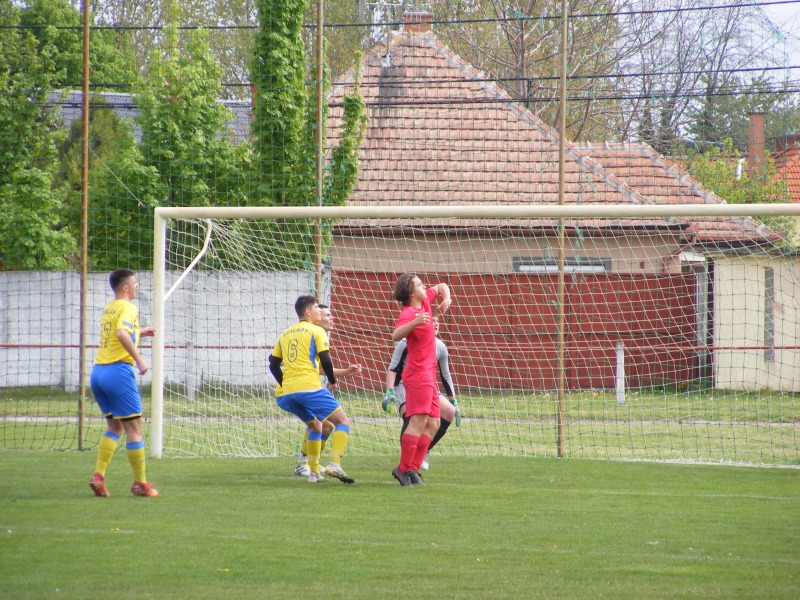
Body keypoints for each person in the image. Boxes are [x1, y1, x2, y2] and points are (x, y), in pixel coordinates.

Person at [88, 268, 158, 498]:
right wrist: (139, 360)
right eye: (135, 283)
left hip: (98, 372)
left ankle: (98, 476)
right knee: (134, 428)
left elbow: (118, 332)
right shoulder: (129, 307)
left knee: (114, 427)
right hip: (118, 371)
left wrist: (140, 331)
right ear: (126, 287)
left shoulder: (110, 307)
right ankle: (140, 484)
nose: (137, 286)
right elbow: (120, 333)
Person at [270, 296, 355, 484]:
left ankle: (314, 473)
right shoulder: (316, 331)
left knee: (318, 425)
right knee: (342, 420)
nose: (320, 311)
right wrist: (332, 381)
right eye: (318, 308)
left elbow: (273, 363)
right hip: (309, 388)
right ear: (308, 312)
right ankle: (334, 463)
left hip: (288, 393)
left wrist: (284, 383)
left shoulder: (285, 333)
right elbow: (326, 360)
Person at [390, 273, 451, 486]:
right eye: (419, 284)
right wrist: (415, 322)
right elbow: (396, 335)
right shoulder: (408, 313)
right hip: (417, 375)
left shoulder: (425, 301)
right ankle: (403, 469)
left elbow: (443, 285)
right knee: (418, 421)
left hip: (428, 375)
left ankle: (412, 470)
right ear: (410, 292)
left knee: (434, 422)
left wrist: (447, 299)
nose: (424, 285)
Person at [383, 315, 460, 471]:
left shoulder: (440, 346)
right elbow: (393, 368)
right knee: (413, 417)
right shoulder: (405, 343)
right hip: (404, 384)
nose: (436, 323)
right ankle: (405, 463)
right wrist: (389, 391)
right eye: (433, 320)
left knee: (448, 412)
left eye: (438, 321)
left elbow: (445, 375)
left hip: (427, 385)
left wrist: (453, 400)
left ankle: (424, 450)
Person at [294, 304, 361, 477]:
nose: (332, 318)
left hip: (304, 387)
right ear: (316, 317)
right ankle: (308, 463)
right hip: (304, 388)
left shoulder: (313, 335)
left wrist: (345, 372)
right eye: (327, 314)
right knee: (325, 422)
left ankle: (308, 464)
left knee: (326, 426)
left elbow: (320, 368)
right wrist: (332, 379)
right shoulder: (312, 334)